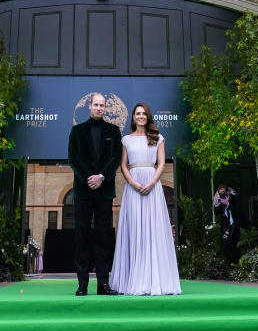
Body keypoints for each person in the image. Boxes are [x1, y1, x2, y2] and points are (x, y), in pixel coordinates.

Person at [109, 103, 182, 295]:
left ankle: (154, 280)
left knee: (152, 229)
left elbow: (161, 164)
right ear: (133, 117)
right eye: (137, 114)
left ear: (148, 117)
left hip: (152, 187)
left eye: (144, 114)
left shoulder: (158, 138)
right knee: (134, 230)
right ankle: (132, 279)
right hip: (133, 188)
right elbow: (123, 165)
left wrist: (152, 183)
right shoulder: (126, 140)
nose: (141, 116)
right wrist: (132, 182)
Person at [67, 93, 122, 296]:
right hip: (82, 190)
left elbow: (115, 158)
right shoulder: (77, 130)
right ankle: (82, 284)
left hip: (104, 191)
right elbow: (73, 158)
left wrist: (101, 177)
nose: (99, 108)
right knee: (81, 238)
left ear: (106, 108)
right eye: (96, 104)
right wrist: (88, 178)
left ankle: (103, 284)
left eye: (102, 105)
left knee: (103, 237)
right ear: (89, 106)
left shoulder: (114, 131)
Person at [213, 184, 243, 264]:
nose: (222, 194)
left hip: (236, 226)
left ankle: (236, 265)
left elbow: (239, 211)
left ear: (228, 192)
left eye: (223, 192)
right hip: (227, 227)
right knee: (226, 247)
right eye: (220, 193)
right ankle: (232, 266)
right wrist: (217, 203)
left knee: (234, 247)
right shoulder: (221, 200)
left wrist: (228, 204)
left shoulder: (235, 198)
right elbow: (216, 212)